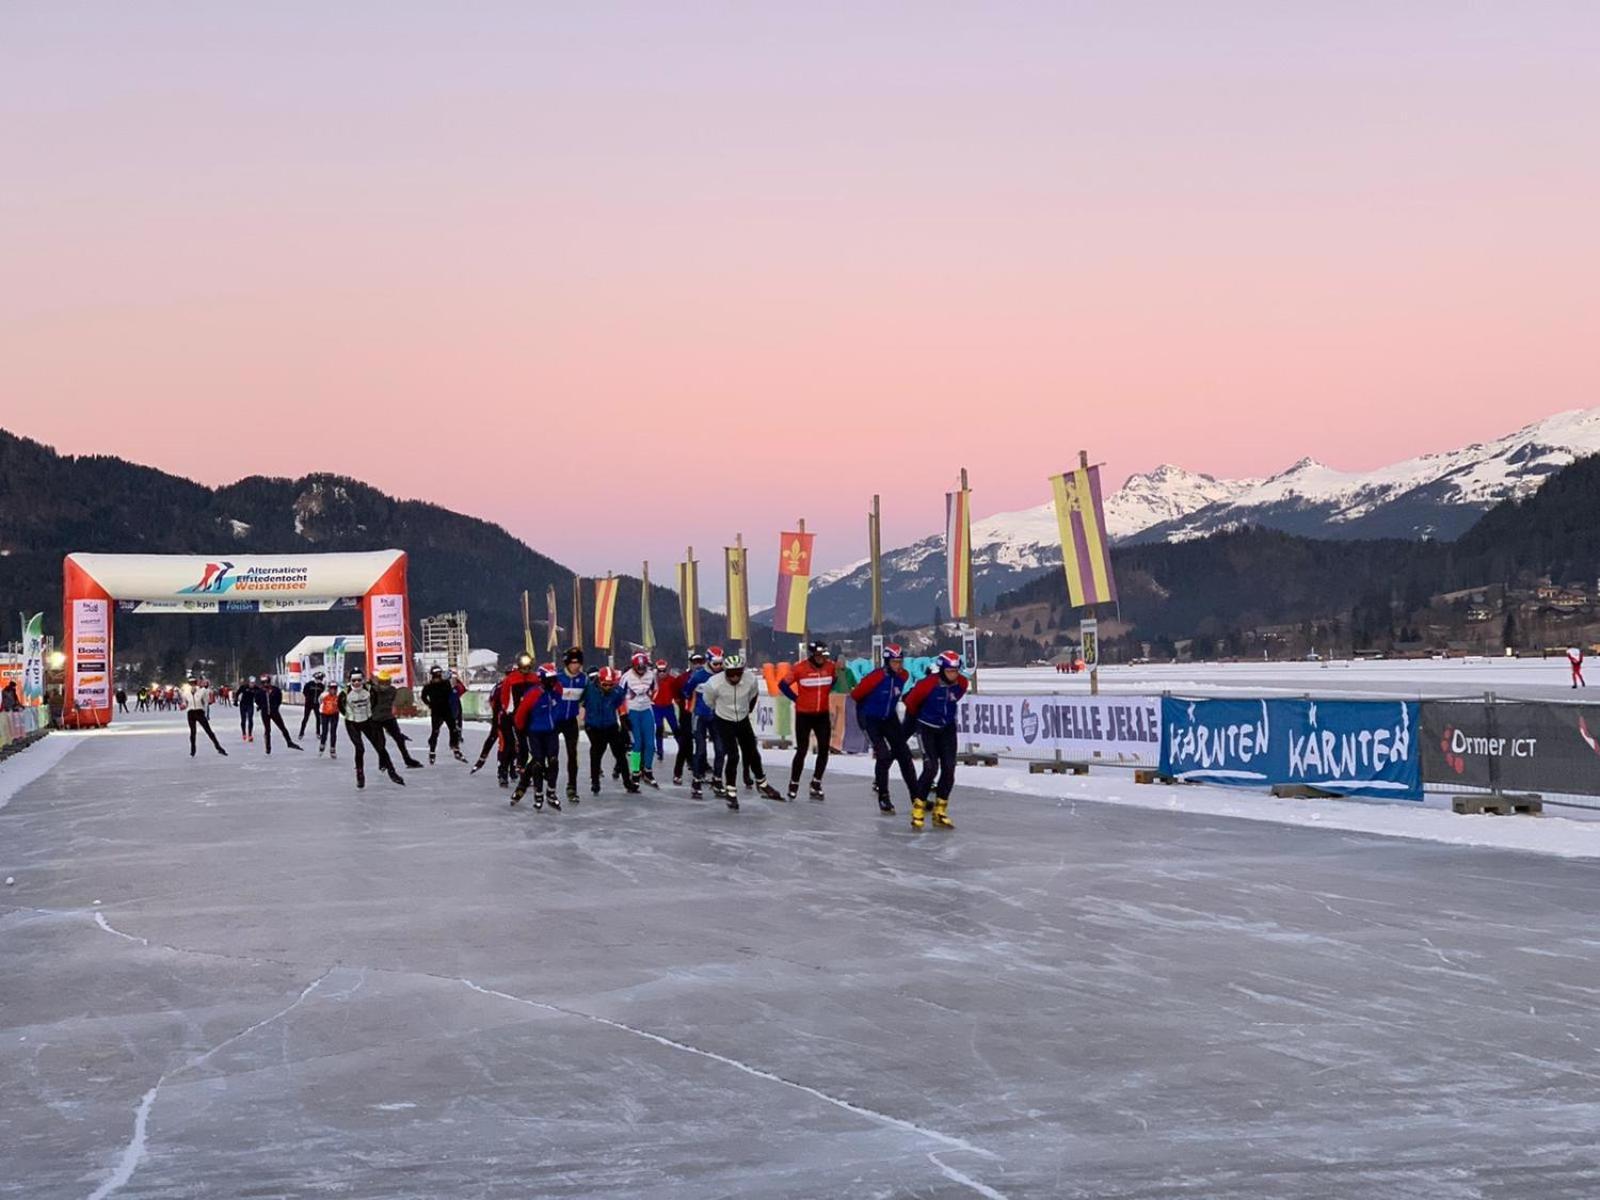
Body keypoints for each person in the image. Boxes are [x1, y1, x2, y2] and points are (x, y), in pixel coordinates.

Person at [699, 655, 782, 809]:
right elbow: (708, 700)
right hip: (723, 720)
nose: (735, 676)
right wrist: (719, 710)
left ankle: (762, 783)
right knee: (733, 755)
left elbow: (753, 695)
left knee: (752, 751)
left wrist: (747, 710)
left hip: (742, 718)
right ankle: (731, 791)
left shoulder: (750, 679)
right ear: (725, 672)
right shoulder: (714, 684)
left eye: (738, 672)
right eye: (731, 673)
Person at [902, 651, 970, 831]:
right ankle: (918, 808)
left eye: (956, 671)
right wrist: (921, 719)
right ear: (941, 670)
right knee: (931, 767)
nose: (953, 675)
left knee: (949, 768)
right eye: (949, 671)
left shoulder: (962, 683)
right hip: (926, 728)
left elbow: (957, 696)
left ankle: (940, 810)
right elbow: (911, 702)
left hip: (947, 728)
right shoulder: (927, 685)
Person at [851, 643, 918, 814]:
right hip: (870, 719)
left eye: (900, 662)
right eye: (894, 662)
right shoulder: (876, 677)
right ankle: (884, 797)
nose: (898, 665)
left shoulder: (903, 676)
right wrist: (864, 713)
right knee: (883, 755)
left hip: (889, 718)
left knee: (904, 754)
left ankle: (916, 797)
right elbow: (856, 695)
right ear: (887, 662)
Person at [779, 641, 836, 801]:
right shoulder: (799, 668)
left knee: (824, 749)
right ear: (812, 655)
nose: (821, 659)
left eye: (824, 656)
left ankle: (816, 783)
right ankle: (794, 782)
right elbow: (782, 685)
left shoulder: (830, 667)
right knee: (802, 750)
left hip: (822, 715)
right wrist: (796, 699)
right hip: (804, 715)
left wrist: (824, 694)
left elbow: (834, 680)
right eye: (818, 656)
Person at [511, 664, 565, 809]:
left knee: (553, 761)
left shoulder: (557, 690)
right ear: (542, 679)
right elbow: (520, 715)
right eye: (550, 680)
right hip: (535, 733)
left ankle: (551, 792)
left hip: (551, 731)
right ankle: (538, 793)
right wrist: (522, 731)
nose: (553, 683)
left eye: (555, 679)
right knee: (538, 762)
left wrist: (558, 723)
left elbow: (560, 707)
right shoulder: (533, 694)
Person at [339, 671, 403, 788]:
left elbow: (374, 701)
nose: (357, 683)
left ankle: (392, 772)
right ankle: (360, 774)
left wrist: (367, 713)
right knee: (360, 748)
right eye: (354, 681)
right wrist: (351, 716)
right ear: (350, 681)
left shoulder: (369, 690)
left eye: (359, 680)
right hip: (352, 723)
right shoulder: (345, 692)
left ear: (363, 680)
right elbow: (340, 707)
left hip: (367, 720)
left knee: (380, 746)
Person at [581, 667, 639, 794]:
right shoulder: (589, 689)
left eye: (610, 685)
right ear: (598, 681)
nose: (607, 687)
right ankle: (595, 782)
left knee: (620, 754)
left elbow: (621, 702)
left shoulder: (617, 691)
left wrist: (624, 717)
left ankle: (627, 783)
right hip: (593, 726)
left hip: (610, 725)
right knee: (596, 752)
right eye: (604, 685)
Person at [680, 650, 724, 800]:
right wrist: (693, 700)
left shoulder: (725, 675)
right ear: (709, 662)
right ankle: (696, 781)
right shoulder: (698, 676)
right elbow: (686, 691)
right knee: (701, 749)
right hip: (700, 715)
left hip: (717, 717)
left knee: (720, 749)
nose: (718, 667)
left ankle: (717, 780)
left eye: (720, 664)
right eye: (715, 664)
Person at [553, 649, 589, 803]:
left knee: (572, 755)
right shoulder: (557, 678)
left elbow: (587, 698)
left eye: (578, 663)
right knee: (551, 755)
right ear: (567, 663)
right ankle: (544, 784)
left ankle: (572, 787)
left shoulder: (584, 679)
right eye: (573, 663)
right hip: (555, 721)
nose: (576, 666)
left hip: (570, 722)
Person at [620, 652, 660, 787]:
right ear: (633, 666)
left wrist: (651, 698)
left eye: (644, 667)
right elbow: (619, 696)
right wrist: (623, 715)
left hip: (646, 710)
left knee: (650, 744)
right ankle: (635, 771)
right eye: (639, 668)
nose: (642, 670)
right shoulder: (626, 677)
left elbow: (655, 689)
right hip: (632, 711)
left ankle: (647, 770)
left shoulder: (651, 675)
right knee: (637, 743)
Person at [370, 672, 424, 768]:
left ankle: (407, 760)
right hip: (376, 719)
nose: (385, 684)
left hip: (387, 718)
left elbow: (396, 699)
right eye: (383, 682)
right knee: (381, 742)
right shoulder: (376, 691)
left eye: (386, 682)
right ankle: (383, 761)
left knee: (399, 739)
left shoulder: (390, 691)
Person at [650, 659, 689, 785]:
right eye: (659, 671)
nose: (662, 673)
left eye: (664, 671)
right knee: (659, 728)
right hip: (656, 707)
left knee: (676, 729)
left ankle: (683, 751)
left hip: (668, 707)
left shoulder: (672, 680)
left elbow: (680, 689)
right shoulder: (653, 680)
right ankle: (660, 751)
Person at [421, 666, 466, 763]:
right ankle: (432, 751)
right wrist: (429, 704)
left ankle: (455, 749)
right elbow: (423, 697)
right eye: (437, 674)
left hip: (445, 710)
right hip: (438, 711)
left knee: (452, 730)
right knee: (436, 731)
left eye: (439, 674)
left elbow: (452, 693)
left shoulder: (445, 683)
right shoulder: (430, 685)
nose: (438, 676)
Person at [181, 676, 228, 757]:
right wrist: (184, 705)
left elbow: (207, 700)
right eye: (190, 683)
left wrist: (206, 713)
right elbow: (185, 702)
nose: (192, 685)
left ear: (196, 683)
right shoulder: (186, 693)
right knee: (193, 732)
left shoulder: (202, 691)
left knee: (208, 731)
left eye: (193, 683)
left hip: (199, 712)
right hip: (191, 712)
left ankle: (218, 747)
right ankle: (193, 750)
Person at [258, 674, 303, 753]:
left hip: (274, 711)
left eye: (267, 682)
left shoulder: (275, 690)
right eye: (263, 683)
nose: (265, 684)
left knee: (282, 727)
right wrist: (261, 706)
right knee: (267, 730)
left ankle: (289, 742)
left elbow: (279, 699)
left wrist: (275, 706)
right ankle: (268, 747)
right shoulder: (260, 691)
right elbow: (257, 700)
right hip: (265, 712)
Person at [316, 681, 341, 757]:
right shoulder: (324, 695)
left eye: (335, 688)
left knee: (333, 731)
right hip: (325, 714)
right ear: (329, 689)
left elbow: (342, 703)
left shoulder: (339, 695)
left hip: (334, 714)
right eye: (331, 688)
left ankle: (332, 748)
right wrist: (322, 711)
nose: (333, 690)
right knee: (324, 730)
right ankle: (322, 744)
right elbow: (320, 701)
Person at [299, 671, 326, 740]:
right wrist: (308, 698)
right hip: (309, 703)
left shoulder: (321, 686)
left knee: (318, 718)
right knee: (305, 718)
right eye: (320, 678)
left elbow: (323, 694)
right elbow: (304, 691)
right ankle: (301, 732)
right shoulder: (309, 684)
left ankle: (318, 732)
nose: (321, 680)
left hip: (317, 704)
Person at [238, 677, 258, 742]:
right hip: (243, 705)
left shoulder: (256, 688)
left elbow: (260, 695)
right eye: (251, 683)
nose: (252, 685)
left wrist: (260, 704)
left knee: (250, 718)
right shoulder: (244, 687)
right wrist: (235, 701)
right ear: (249, 682)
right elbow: (237, 693)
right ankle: (244, 733)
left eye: (253, 683)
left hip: (250, 705)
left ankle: (250, 735)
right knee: (243, 720)